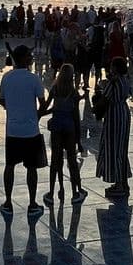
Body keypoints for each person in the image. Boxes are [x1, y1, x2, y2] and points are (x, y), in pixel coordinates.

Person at [0, 44, 47, 215]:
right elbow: (43, 102)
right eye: (30, 57)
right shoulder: (33, 79)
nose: (32, 59)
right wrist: (36, 115)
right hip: (30, 130)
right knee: (31, 168)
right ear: (25, 59)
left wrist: (13, 109)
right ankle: (32, 203)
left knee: (9, 165)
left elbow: (2, 100)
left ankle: (8, 202)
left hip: (13, 130)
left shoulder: (7, 78)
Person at [43, 63, 86, 207]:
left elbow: (48, 107)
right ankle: (75, 192)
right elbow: (76, 117)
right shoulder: (73, 93)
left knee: (55, 161)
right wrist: (79, 141)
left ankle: (50, 192)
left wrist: (43, 112)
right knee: (72, 161)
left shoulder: (55, 89)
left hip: (56, 127)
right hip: (69, 129)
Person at [96, 57, 132, 199]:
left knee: (114, 148)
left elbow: (105, 99)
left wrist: (96, 109)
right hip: (123, 113)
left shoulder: (114, 82)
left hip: (114, 116)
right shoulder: (125, 80)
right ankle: (123, 182)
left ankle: (119, 184)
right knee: (122, 149)